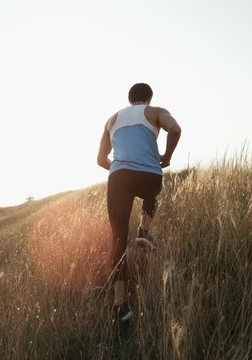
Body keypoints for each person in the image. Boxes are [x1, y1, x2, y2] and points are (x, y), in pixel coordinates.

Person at [96, 83, 182, 328]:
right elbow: (175, 129)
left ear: (129, 99)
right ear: (148, 98)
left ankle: (120, 306)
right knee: (151, 189)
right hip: (149, 175)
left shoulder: (111, 120)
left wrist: (117, 165)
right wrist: (167, 157)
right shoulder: (155, 111)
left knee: (118, 241)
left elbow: (100, 159)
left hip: (119, 177)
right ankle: (144, 230)